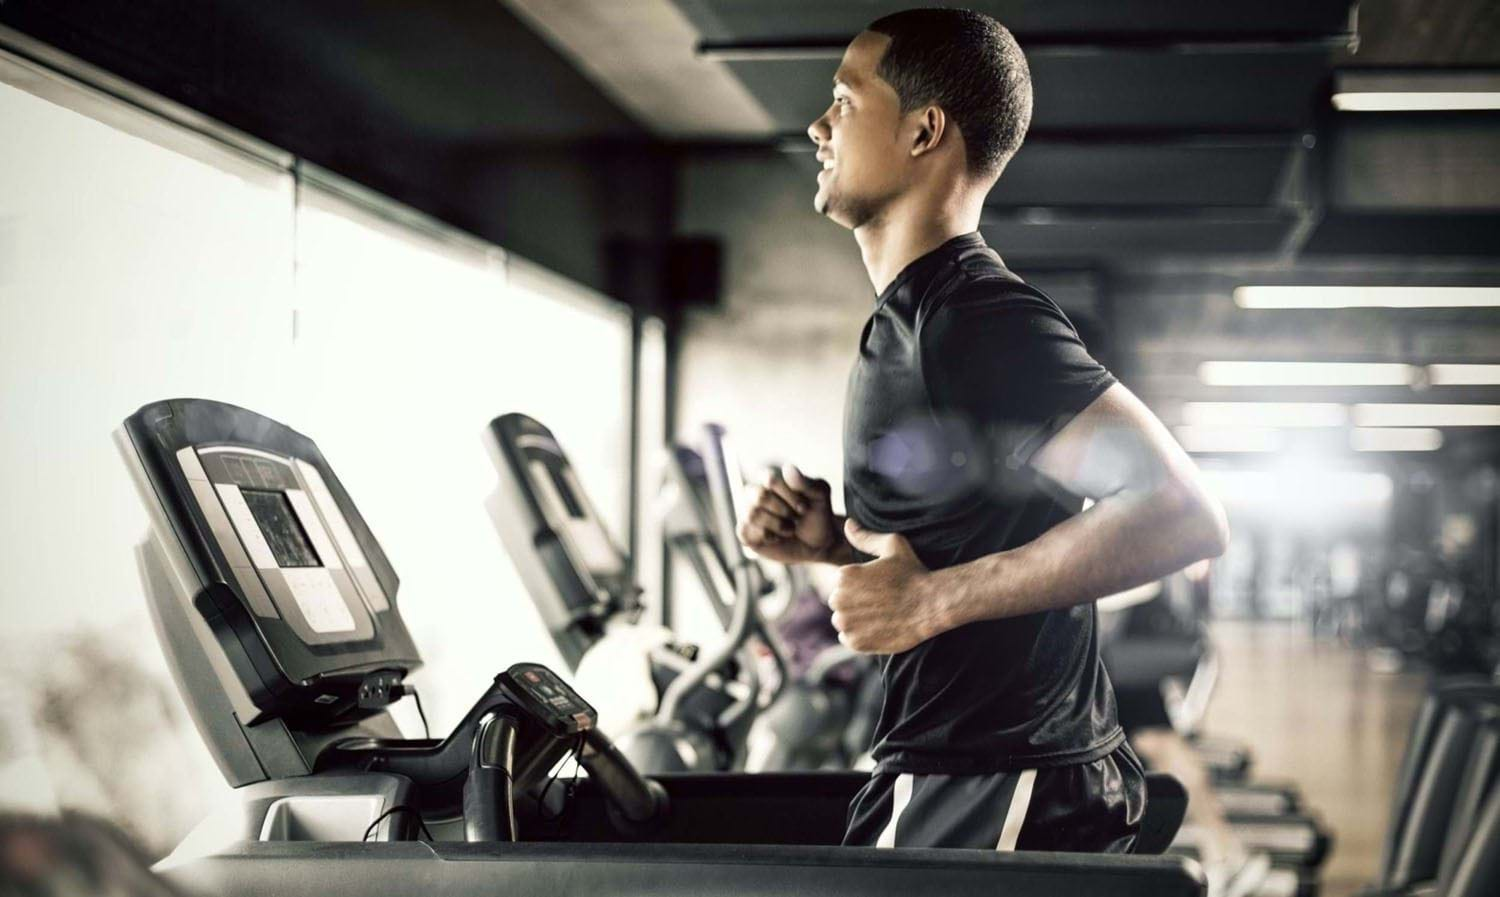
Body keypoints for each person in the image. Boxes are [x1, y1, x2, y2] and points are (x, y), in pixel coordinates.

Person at [737, 8, 1228, 852]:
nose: (818, 127)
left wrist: (931, 600)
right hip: (974, 764)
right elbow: (975, 540)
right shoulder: (920, 319)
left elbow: (1179, 512)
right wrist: (837, 550)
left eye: (845, 102)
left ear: (925, 131)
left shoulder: (976, 318)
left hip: (994, 775)